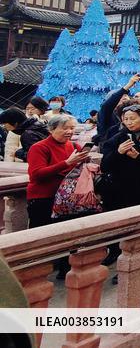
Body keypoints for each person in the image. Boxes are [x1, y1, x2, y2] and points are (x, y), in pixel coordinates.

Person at [26, 114, 89, 278]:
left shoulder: (73, 145)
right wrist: (67, 163)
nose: (69, 131)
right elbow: (36, 174)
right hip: (43, 197)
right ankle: (33, 272)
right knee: (40, 236)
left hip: (66, 199)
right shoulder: (39, 147)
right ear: (52, 129)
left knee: (65, 236)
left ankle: (63, 270)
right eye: (65, 128)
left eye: (72, 128)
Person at [96, 74, 140, 144]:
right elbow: (106, 106)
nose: (124, 98)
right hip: (111, 149)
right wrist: (128, 85)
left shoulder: (135, 111)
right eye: (121, 96)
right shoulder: (106, 114)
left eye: (126, 95)